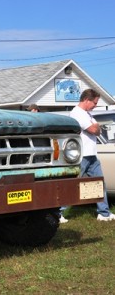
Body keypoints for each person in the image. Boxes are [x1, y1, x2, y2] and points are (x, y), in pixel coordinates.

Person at [61, 89, 115, 223]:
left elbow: (97, 129)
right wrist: (96, 127)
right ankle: (58, 213)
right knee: (72, 185)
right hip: (82, 155)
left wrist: (96, 127)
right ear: (86, 100)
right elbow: (94, 130)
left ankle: (104, 213)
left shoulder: (87, 114)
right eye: (95, 103)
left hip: (91, 155)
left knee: (99, 183)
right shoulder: (77, 114)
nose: (95, 105)